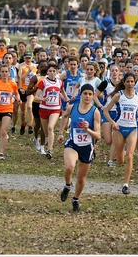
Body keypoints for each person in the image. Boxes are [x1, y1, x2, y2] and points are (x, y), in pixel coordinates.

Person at [103, 73, 138, 195]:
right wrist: (113, 123)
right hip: (119, 128)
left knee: (129, 156)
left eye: (132, 82)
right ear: (124, 82)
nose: (129, 84)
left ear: (135, 83)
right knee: (120, 160)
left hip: (132, 129)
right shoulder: (118, 95)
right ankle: (120, 154)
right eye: (127, 81)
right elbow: (106, 111)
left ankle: (126, 185)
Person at [58, 84, 101, 212]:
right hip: (73, 143)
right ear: (81, 94)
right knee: (69, 166)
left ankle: (75, 199)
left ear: (93, 96)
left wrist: (88, 129)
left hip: (87, 147)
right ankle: (67, 185)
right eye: (85, 93)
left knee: (81, 178)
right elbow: (65, 116)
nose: (87, 96)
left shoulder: (95, 112)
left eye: (90, 94)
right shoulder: (72, 108)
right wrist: (61, 132)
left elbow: (98, 135)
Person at [0, 64, 21, 160]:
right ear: (0, 73)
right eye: (3, 72)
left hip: (7, 109)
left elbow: (16, 94)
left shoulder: (13, 84)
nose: (5, 73)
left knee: (3, 132)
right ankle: (4, 136)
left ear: (9, 73)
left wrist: (18, 100)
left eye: (6, 72)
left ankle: (1, 153)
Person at [34, 63, 68, 159]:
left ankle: (49, 150)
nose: (52, 73)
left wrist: (67, 100)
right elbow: (36, 97)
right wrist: (43, 99)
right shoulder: (43, 82)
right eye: (50, 71)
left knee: (50, 127)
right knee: (46, 133)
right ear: (47, 72)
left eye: (54, 71)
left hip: (55, 109)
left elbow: (63, 92)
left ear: (57, 72)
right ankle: (48, 142)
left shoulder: (60, 82)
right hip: (44, 109)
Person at [93, 64, 121, 167]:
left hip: (118, 113)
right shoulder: (105, 83)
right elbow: (95, 96)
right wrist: (101, 106)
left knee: (115, 137)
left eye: (116, 70)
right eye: (112, 70)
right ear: (110, 72)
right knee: (108, 140)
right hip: (106, 112)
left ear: (119, 72)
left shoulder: (122, 84)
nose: (114, 72)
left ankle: (110, 160)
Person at [26, 60, 48, 154]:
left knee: (44, 126)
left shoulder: (50, 78)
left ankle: (42, 147)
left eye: (46, 67)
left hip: (47, 104)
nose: (44, 69)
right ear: (38, 68)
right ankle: (35, 137)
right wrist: (38, 88)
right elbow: (28, 91)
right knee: (38, 125)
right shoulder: (35, 78)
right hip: (37, 103)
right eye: (42, 67)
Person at [17, 52, 37, 135]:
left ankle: (30, 126)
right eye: (26, 58)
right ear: (24, 58)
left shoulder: (35, 66)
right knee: (23, 111)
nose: (28, 59)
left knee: (29, 107)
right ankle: (23, 123)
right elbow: (19, 77)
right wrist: (28, 72)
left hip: (31, 90)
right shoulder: (21, 66)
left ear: (32, 58)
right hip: (23, 90)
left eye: (29, 58)